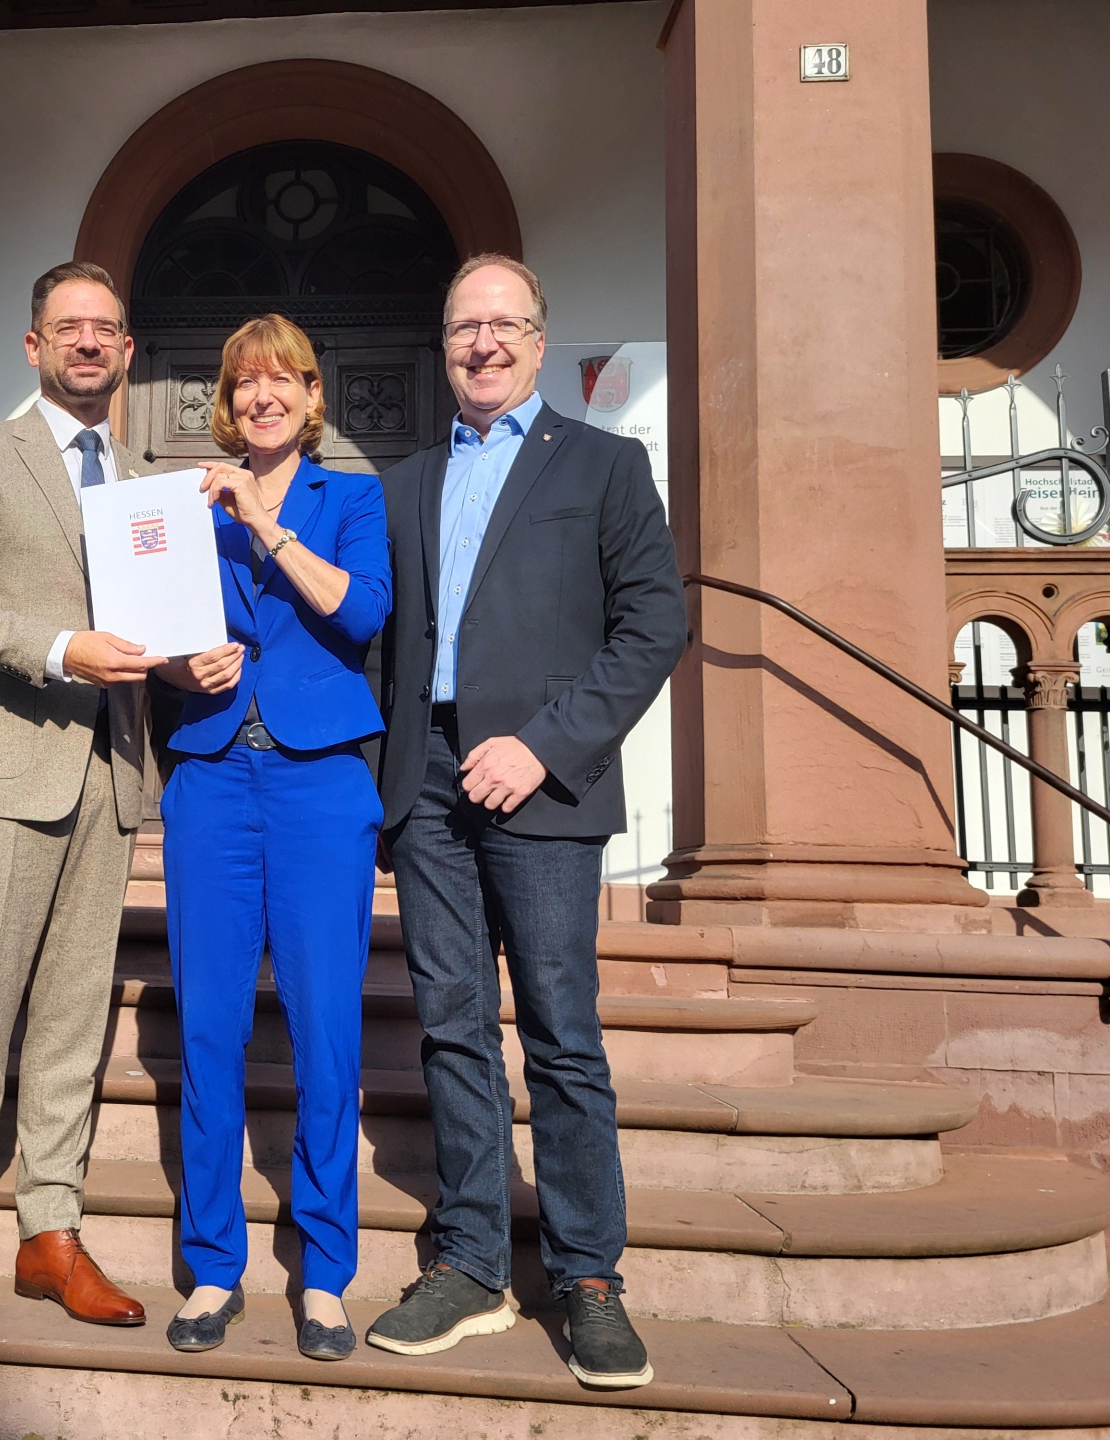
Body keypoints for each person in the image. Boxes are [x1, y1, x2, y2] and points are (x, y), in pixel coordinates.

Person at [366, 255, 685, 1390]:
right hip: (430, 787)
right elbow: (375, 641)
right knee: (452, 1028)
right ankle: (469, 1262)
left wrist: (545, 741)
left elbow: (654, 625)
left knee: (559, 1033)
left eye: (504, 325)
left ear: (541, 342)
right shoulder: (402, 481)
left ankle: (590, 1277)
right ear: (443, 344)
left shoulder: (602, 465)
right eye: (465, 327)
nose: (484, 344)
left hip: (542, 786)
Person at [0, 261, 156, 1351]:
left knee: (71, 1025)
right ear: (34, 345)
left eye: (105, 330)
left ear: (128, 351)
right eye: (69, 328)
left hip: (112, 775)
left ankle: (53, 1232)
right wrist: (61, 649)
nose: (88, 344)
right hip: (7, 772)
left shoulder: (150, 478)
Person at [154, 315, 390, 1362]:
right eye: (244, 383)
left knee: (325, 1027)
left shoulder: (353, 498)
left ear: (310, 394)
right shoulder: (181, 506)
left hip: (319, 783)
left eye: (281, 380)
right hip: (210, 777)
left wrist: (263, 517)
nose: (263, 397)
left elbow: (359, 613)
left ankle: (326, 1274)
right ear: (227, 398)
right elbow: (149, 626)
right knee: (209, 1029)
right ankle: (213, 1267)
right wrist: (174, 670)